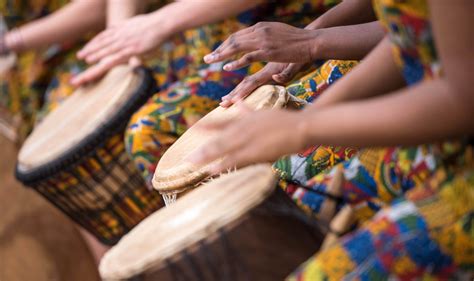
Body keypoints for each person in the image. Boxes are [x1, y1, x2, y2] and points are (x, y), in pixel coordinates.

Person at [188, 0, 474, 278]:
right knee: (283, 211)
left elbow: (463, 100)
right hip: (430, 144)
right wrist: (300, 115)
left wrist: (304, 126)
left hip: (461, 169)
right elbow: (410, 35)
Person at [73, 0, 366, 185]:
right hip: (207, 30)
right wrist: (120, 39)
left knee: (147, 131)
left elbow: (398, 31)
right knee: (93, 128)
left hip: (283, 19)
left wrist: (312, 40)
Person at [0, 0, 105, 142]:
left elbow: (100, 7)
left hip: (87, 44)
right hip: (33, 65)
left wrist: (9, 42)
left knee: (57, 132)